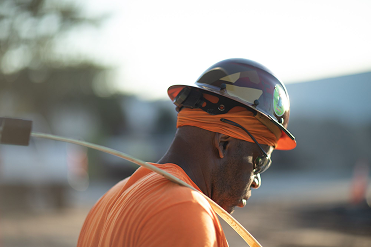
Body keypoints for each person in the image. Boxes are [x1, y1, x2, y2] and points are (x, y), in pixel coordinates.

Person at [77, 58, 296, 247]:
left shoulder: (111, 199)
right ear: (224, 143)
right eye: (259, 161)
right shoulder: (185, 210)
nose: (256, 181)